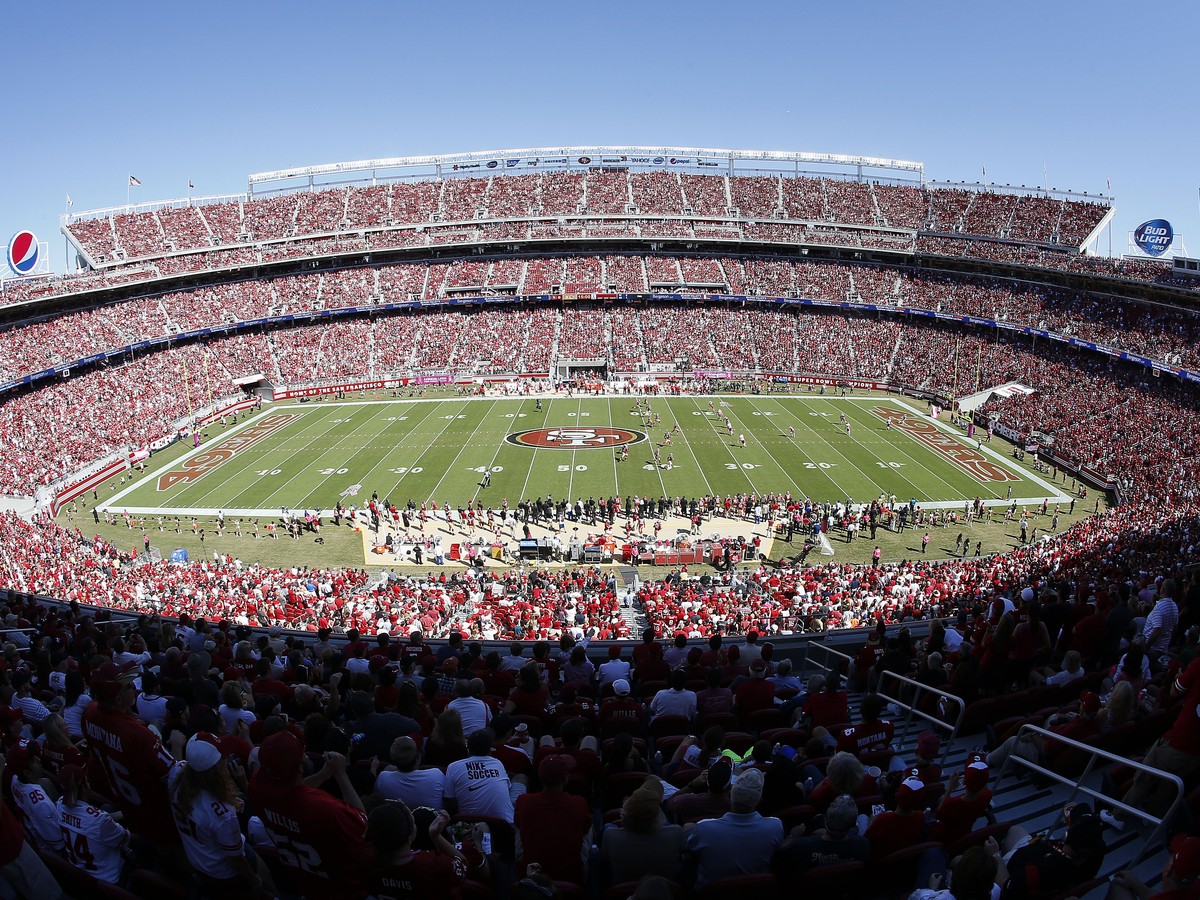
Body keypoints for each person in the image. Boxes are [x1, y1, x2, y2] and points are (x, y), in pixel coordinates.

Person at [247, 730, 370, 900]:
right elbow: (362, 823)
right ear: (299, 767)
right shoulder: (324, 808)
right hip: (343, 889)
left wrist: (324, 775)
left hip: (305, 883)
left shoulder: (256, 786)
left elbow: (292, 790)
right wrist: (341, 775)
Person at [81, 659, 180, 850]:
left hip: (125, 802)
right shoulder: (139, 735)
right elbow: (175, 777)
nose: (134, 689)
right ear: (119, 699)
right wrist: (177, 745)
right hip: (155, 812)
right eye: (129, 686)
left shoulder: (89, 713)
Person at [170, 732, 263, 898]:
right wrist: (255, 881)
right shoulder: (223, 814)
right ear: (218, 767)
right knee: (254, 859)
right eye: (223, 758)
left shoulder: (175, 775)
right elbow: (236, 860)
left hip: (196, 859)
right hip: (224, 874)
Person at [686, 768, 783, 889]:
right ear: (759, 800)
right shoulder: (775, 826)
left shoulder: (704, 828)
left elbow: (689, 849)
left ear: (730, 793)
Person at [363, 802, 471, 900]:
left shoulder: (364, 859)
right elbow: (462, 862)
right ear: (410, 835)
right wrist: (436, 836)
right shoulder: (437, 866)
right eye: (413, 821)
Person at [513, 755, 592, 883]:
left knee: (519, 821)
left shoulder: (524, 800)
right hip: (571, 876)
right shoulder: (579, 803)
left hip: (531, 873)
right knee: (587, 823)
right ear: (566, 779)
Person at [598, 776, 684, 887]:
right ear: (657, 816)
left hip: (621, 888)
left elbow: (603, 860)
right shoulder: (675, 832)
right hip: (663, 890)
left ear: (625, 814)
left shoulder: (609, 835)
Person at [443, 728, 525, 824]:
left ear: (468, 749)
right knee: (521, 778)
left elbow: (450, 803)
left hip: (469, 824)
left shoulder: (453, 767)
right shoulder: (497, 763)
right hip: (503, 826)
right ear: (490, 750)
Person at [775, 793, 869, 875]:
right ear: (853, 826)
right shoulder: (863, 845)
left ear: (825, 822)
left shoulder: (801, 846)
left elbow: (779, 857)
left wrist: (792, 836)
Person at [374, 736, 445, 810]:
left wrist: (373, 770)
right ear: (418, 759)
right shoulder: (436, 775)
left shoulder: (383, 778)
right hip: (432, 821)